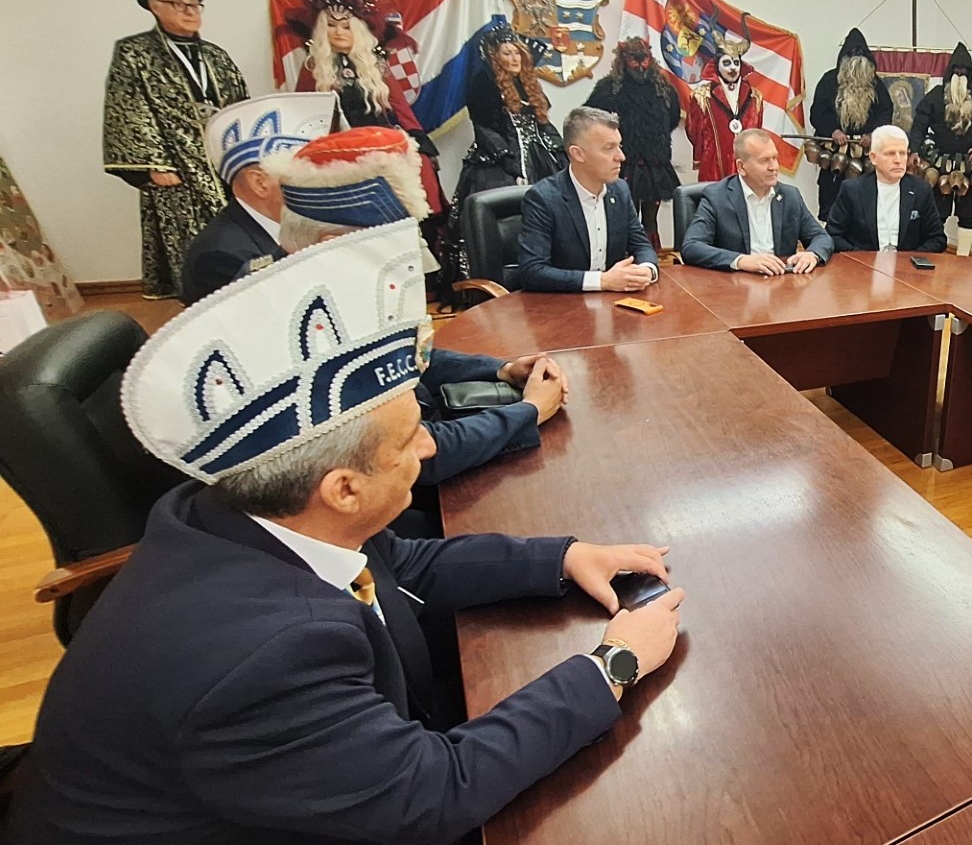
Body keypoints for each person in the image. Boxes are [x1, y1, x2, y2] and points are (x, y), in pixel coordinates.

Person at [3, 216, 686, 845]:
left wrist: (563, 558)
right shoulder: (265, 662)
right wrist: (611, 666)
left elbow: (402, 566)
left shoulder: (241, 512)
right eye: (410, 439)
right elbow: (433, 794)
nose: (428, 447)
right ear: (344, 489)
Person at [262, 126, 569, 496]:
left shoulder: (315, 289)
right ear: (334, 245)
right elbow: (416, 453)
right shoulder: (303, 334)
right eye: (393, 245)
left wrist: (501, 369)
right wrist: (529, 412)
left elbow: (407, 358)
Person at [103, 0, 249, 299]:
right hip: (176, 164)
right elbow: (128, 107)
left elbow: (241, 102)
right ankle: (196, 303)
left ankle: (241, 291)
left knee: (235, 234)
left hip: (222, 160)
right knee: (189, 240)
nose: (190, 11)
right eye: (178, 4)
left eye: (194, 4)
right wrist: (154, 164)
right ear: (154, 6)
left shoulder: (216, 55)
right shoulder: (135, 53)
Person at [283, 0, 446, 217]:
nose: (338, 32)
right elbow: (305, 116)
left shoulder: (375, 64)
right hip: (340, 152)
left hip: (383, 143)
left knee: (422, 174)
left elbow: (401, 108)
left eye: (346, 26)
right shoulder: (313, 68)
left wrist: (420, 142)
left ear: (357, 30)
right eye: (331, 25)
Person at [179, 92, 339, 304]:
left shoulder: (292, 224)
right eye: (304, 176)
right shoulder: (218, 255)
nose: (320, 185)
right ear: (260, 183)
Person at [517, 107, 661, 293]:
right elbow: (532, 272)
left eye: (619, 146)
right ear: (578, 153)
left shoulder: (620, 190)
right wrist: (602, 281)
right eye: (609, 148)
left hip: (613, 300)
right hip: (561, 303)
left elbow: (640, 245)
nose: (621, 157)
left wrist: (646, 269)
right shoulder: (543, 198)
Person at [681, 128, 833, 274]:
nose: (774, 167)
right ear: (741, 167)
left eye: (775, 158)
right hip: (735, 284)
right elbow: (691, 246)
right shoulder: (717, 197)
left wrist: (812, 254)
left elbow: (821, 237)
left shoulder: (790, 196)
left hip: (782, 282)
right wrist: (741, 261)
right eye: (764, 161)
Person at [584, 37, 682, 250]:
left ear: (650, 58)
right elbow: (590, 118)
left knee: (650, 221)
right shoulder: (610, 88)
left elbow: (673, 119)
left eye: (643, 59)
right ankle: (623, 257)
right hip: (623, 162)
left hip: (655, 162)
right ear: (623, 59)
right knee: (623, 217)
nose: (640, 65)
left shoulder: (664, 89)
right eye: (634, 60)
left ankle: (651, 258)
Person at [454, 23, 568, 204]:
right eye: (507, 53)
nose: (515, 59)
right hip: (499, 157)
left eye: (517, 53)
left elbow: (543, 124)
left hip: (538, 156)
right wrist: (507, 159)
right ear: (495, 57)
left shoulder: (529, 84)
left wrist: (560, 150)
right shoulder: (483, 84)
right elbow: (484, 128)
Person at [907, 43, 972, 255]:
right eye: (956, 71)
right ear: (949, 72)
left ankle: (963, 258)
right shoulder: (935, 96)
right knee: (937, 213)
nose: (960, 75)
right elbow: (919, 125)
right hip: (939, 164)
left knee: (968, 215)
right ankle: (935, 254)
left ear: (970, 73)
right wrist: (914, 150)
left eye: (964, 71)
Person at [810, 28, 894, 219]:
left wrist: (873, 135)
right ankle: (828, 234)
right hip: (834, 151)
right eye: (852, 53)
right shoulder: (829, 80)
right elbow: (817, 112)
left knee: (864, 201)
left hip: (863, 152)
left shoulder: (876, 84)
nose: (857, 58)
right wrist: (832, 130)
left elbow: (886, 112)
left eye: (861, 53)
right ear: (843, 58)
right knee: (830, 197)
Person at [826, 125, 945, 253]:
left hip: (906, 264)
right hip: (862, 263)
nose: (898, 160)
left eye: (903, 153)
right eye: (890, 153)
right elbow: (833, 235)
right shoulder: (852, 190)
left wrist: (908, 260)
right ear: (873, 157)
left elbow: (937, 239)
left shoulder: (921, 190)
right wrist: (863, 259)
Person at [686, 15, 764, 182]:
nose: (732, 68)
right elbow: (694, 132)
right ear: (717, 65)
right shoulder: (701, 96)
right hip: (714, 168)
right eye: (727, 63)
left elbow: (758, 133)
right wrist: (704, 154)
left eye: (736, 63)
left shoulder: (755, 97)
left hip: (747, 170)